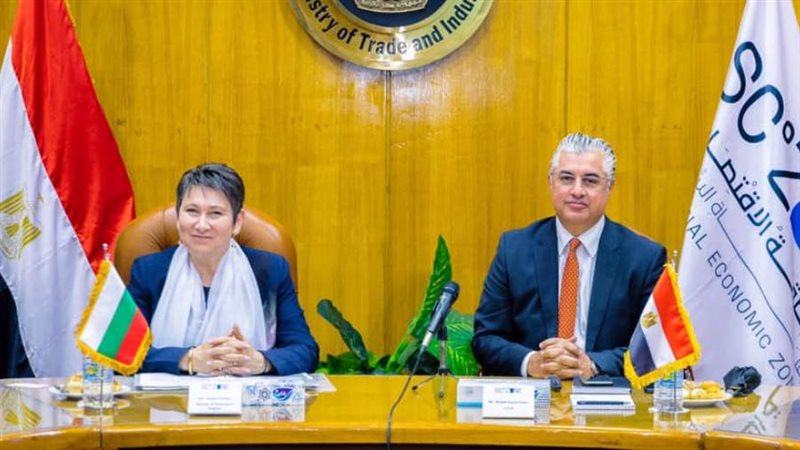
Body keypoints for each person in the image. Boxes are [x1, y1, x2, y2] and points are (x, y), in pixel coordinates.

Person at [472, 133, 666, 379]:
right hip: (532, 393)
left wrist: (592, 364)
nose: (577, 190)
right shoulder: (514, 249)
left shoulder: (644, 258)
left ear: (609, 187)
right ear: (551, 182)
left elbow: (653, 347)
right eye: (566, 178)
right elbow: (486, 337)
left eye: (590, 181)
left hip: (605, 395)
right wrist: (532, 362)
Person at [129, 163, 319, 375]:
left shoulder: (270, 270)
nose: (201, 225)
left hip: (247, 395)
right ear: (178, 216)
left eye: (215, 213)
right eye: (192, 211)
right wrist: (188, 359)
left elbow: (305, 350)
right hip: (170, 396)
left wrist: (260, 362)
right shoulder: (148, 271)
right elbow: (122, 353)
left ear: (237, 222)